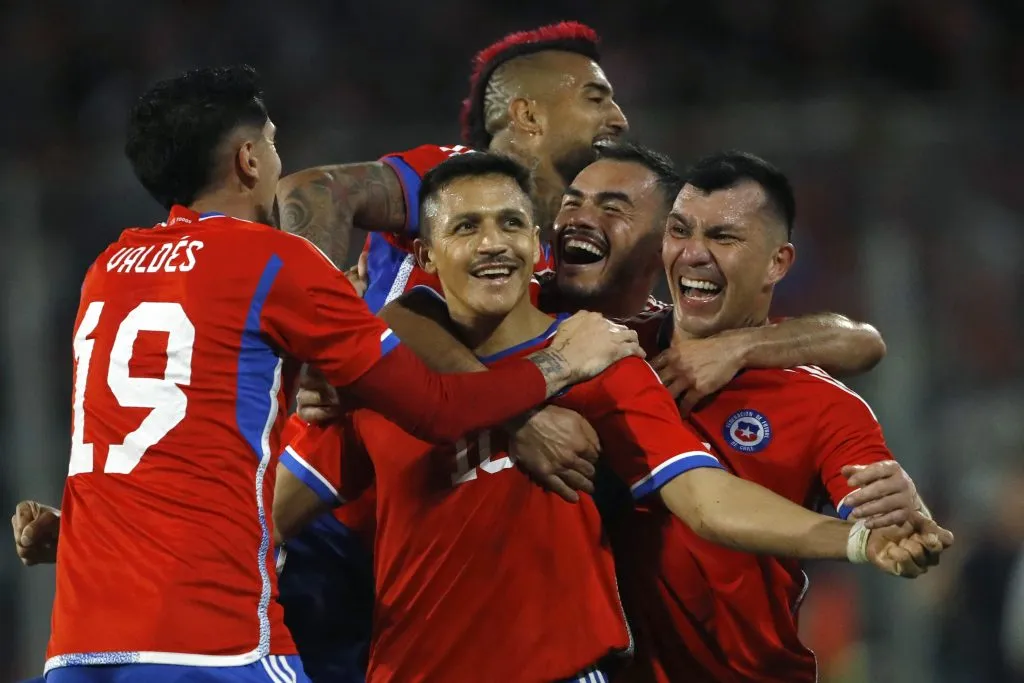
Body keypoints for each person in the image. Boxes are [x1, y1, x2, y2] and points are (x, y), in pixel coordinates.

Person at [33, 65, 640, 683]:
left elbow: (164, 436)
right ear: (248, 160)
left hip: (82, 637)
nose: (277, 158)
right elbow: (437, 409)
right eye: (271, 142)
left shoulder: (108, 268)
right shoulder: (273, 261)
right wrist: (558, 363)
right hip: (214, 638)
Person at [278, 152, 949, 683]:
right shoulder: (507, 349)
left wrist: (868, 530)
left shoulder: (607, 358)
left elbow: (710, 497)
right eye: (686, 231)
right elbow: (408, 321)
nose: (694, 252)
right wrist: (509, 409)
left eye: (511, 223)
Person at [610, 150, 949, 683]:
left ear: (777, 263)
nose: (693, 253)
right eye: (680, 230)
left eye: (723, 237)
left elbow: (889, 512)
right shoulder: (611, 351)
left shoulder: (820, 403)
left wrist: (905, 518)